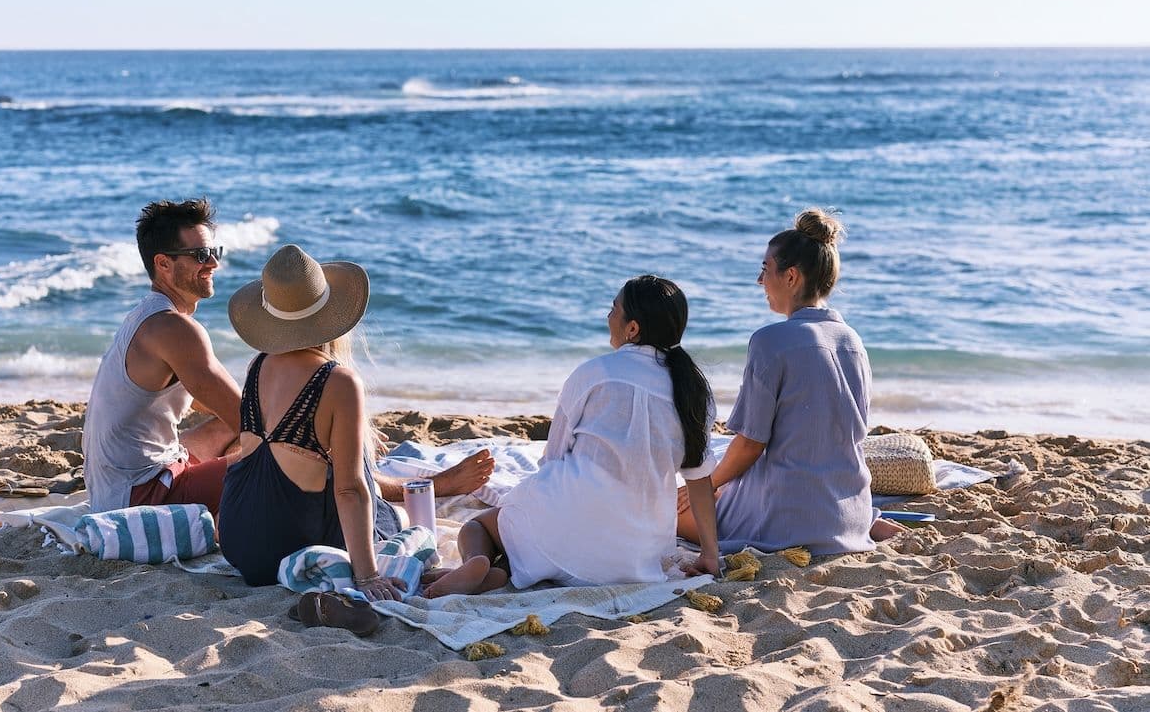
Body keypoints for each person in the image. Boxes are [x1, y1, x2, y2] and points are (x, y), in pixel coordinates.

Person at [217, 245, 496, 598]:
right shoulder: (337, 381)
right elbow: (349, 490)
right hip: (288, 548)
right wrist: (367, 577)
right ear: (329, 315)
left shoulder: (257, 366)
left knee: (330, 464)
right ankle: (423, 568)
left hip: (239, 540)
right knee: (403, 521)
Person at [425, 275, 722, 597]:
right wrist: (709, 553)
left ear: (632, 328)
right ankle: (503, 570)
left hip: (567, 527)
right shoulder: (695, 392)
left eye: (614, 308)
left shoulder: (595, 373)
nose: (609, 317)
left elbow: (553, 457)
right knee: (542, 536)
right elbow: (699, 482)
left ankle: (480, 561)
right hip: (635, 560)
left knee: (481, 526)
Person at [677, 208, 893, 554]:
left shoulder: (770, 341)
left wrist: (705, 486)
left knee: (671, 512)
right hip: (849, 509)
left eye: (765, 270)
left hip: (788, 514)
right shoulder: (852, 340)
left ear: (791, 277)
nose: (760, 281)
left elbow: (750, 445)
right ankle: (870, 521)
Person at [82, 198, 242, 516]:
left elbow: (227, 410)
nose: (213, 264)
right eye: (200, 255)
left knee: (235, 433)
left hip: (116, 488)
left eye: (215, 252)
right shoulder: (174, 328)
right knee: (287, 458)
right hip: (143, 496)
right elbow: (249, 417)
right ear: (163, 264)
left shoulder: (149, 315)